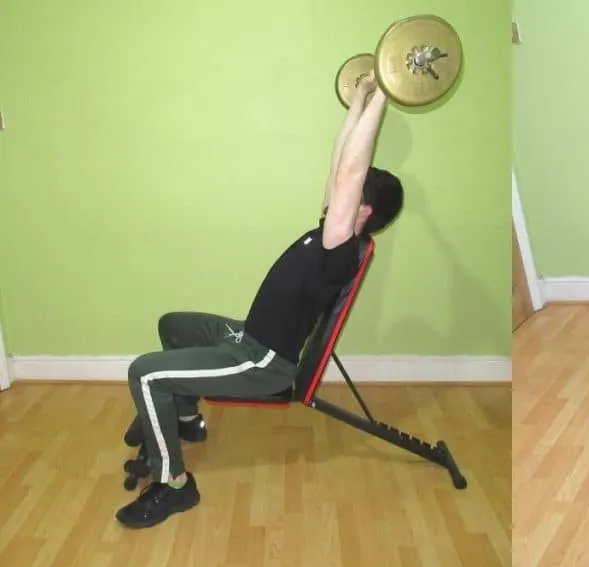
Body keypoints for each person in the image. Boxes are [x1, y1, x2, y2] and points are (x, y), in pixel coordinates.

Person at [115, 75, 402, 529]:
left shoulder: (339, 248)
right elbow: (339, 167)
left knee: (145, 373)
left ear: (363, 211)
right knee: (173, 324)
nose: (339, 190)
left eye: (353, 191)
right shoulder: (331, 230)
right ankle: (187, 419)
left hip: (262, 361)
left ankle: (173, 486)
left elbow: (349, 172)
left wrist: (385, 95)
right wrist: (359, 99)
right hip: (248, 334)